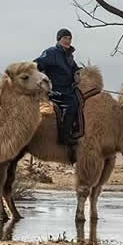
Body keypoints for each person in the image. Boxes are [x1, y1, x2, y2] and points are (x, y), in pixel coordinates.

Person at [35, 29, 81, 159]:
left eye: (69, 38)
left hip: (68, 89)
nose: (68, 41)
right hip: (56, 91)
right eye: (65, 38)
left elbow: (74, 68)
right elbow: (37, 64)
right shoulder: (51, 52)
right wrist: (41, 79)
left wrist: (78, 72)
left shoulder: (69, 55)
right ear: (59, 39)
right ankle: (64, 136)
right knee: (72, 104)